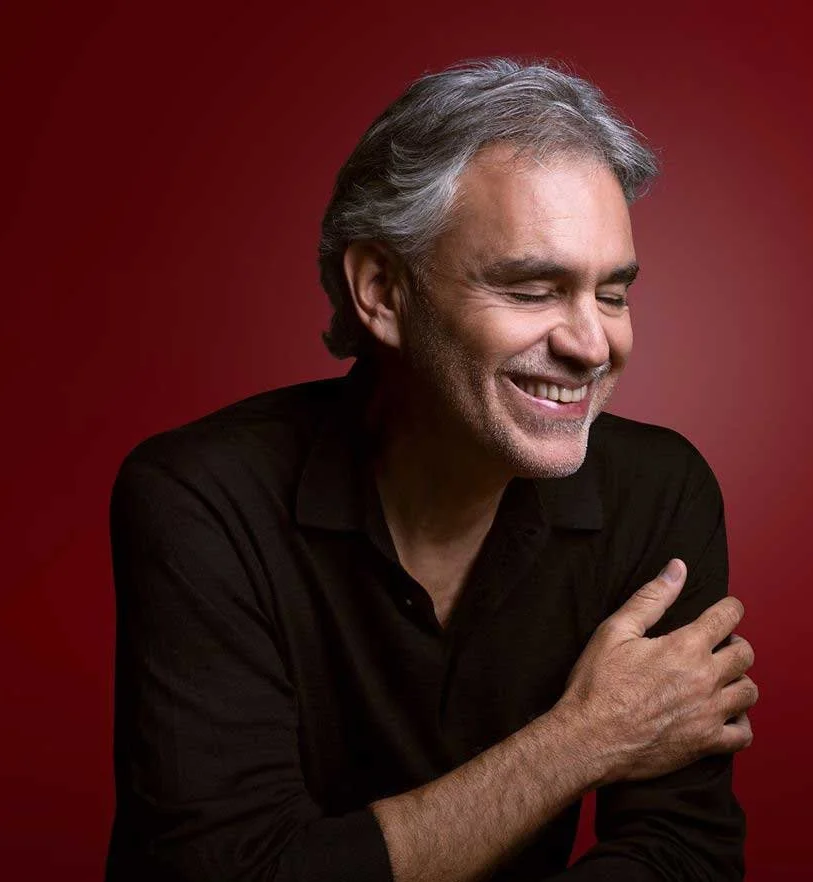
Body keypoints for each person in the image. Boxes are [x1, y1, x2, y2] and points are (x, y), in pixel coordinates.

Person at [106, 58, 758, 882]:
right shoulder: (202, 499)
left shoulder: (660, 492)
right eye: (534, 289)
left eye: (613, 294)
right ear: (382, 290)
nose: (593, 345)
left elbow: (683, 855)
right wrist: (588, 738)